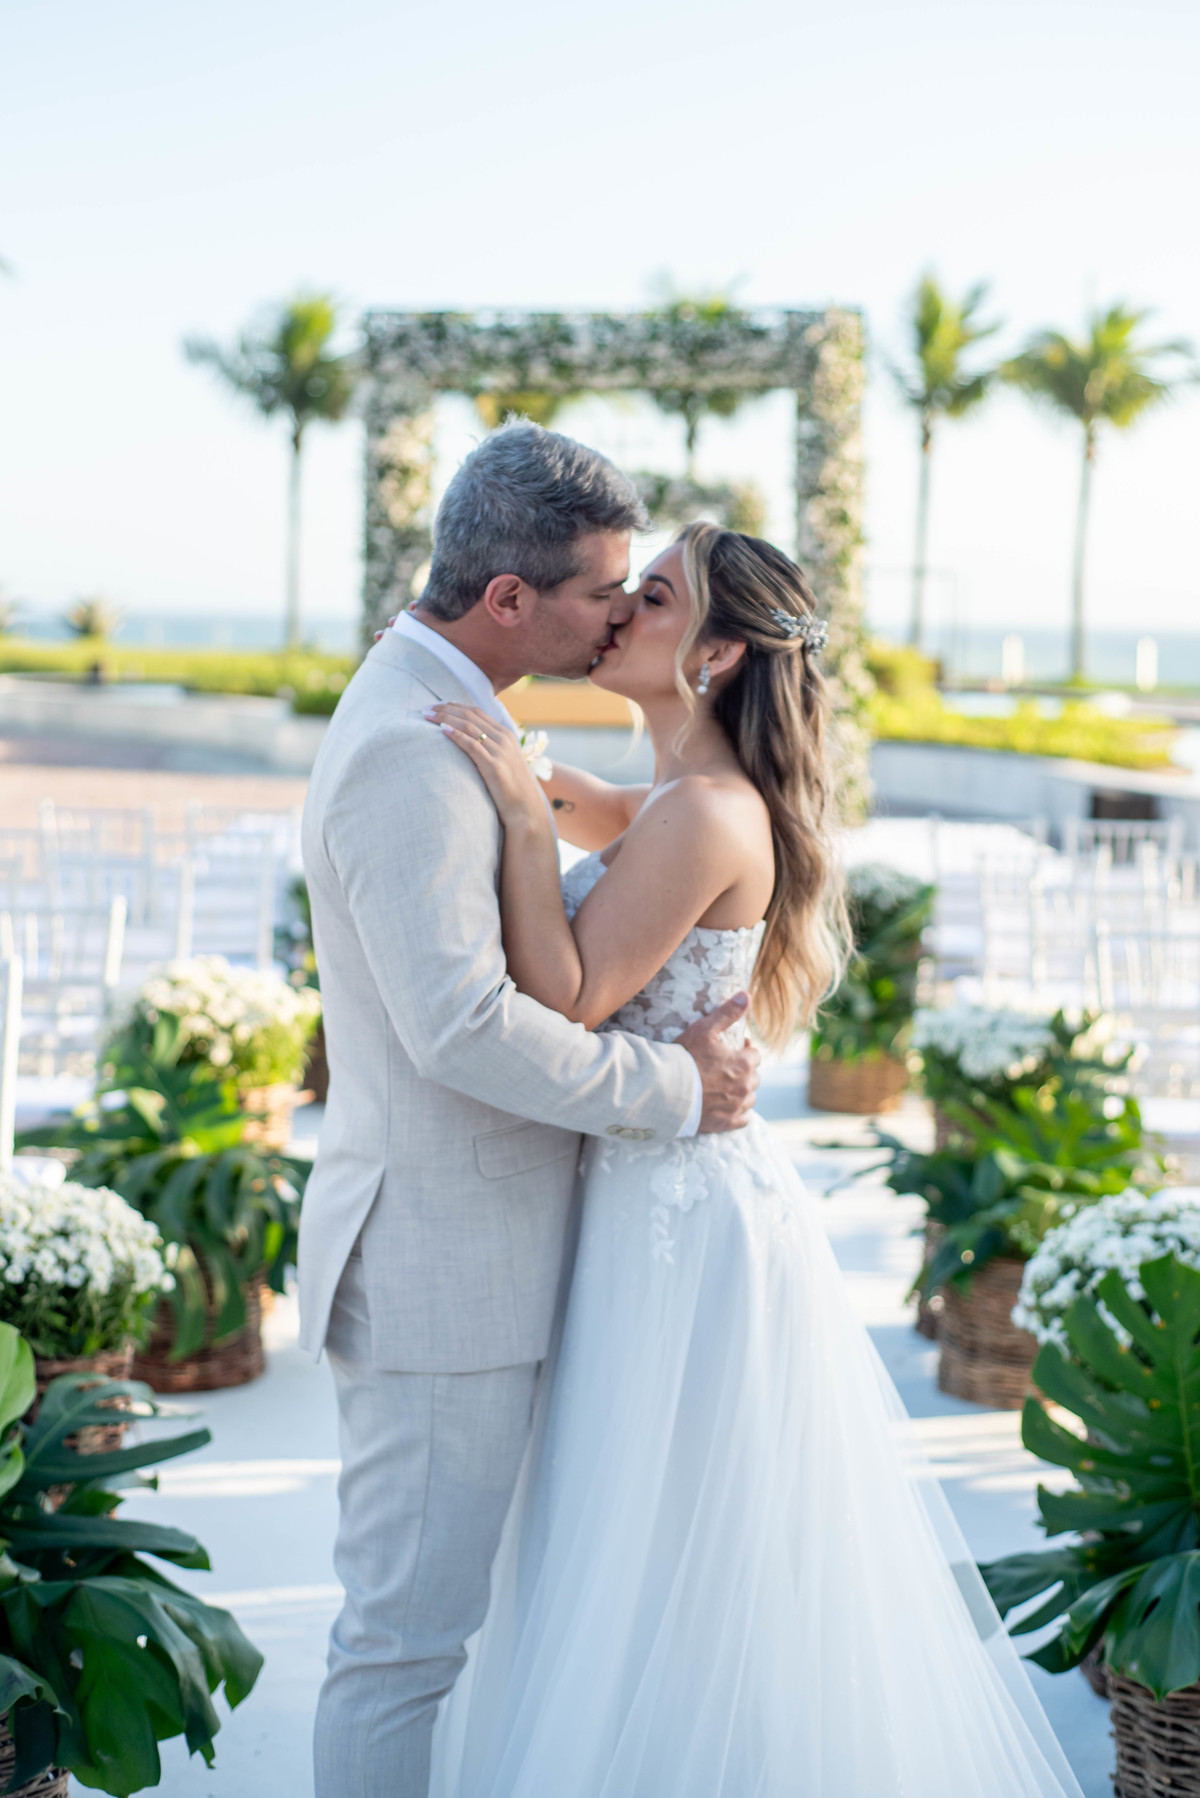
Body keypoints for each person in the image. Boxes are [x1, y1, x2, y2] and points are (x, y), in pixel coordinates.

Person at [423, 521, 1085, 1797]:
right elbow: (601, 813)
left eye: (652, 594)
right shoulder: (681, 800)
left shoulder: (711, 813)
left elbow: (566, 993)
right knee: (653, 1542)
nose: (617, 606)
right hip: (664, 1194)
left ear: (716, 653)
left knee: (669, 1550)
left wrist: (514, 815)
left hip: (677, 1223)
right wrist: (510, 759)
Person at [299, 423, 760, 1798]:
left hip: (510, 1256)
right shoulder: (408, 743)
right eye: (603, 592)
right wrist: (675, 1088)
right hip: (443, 1268)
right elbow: (461, 1029)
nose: (621, 611)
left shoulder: (463, 715)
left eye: (645, 595)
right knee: (401, 1648)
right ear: (510, 601)